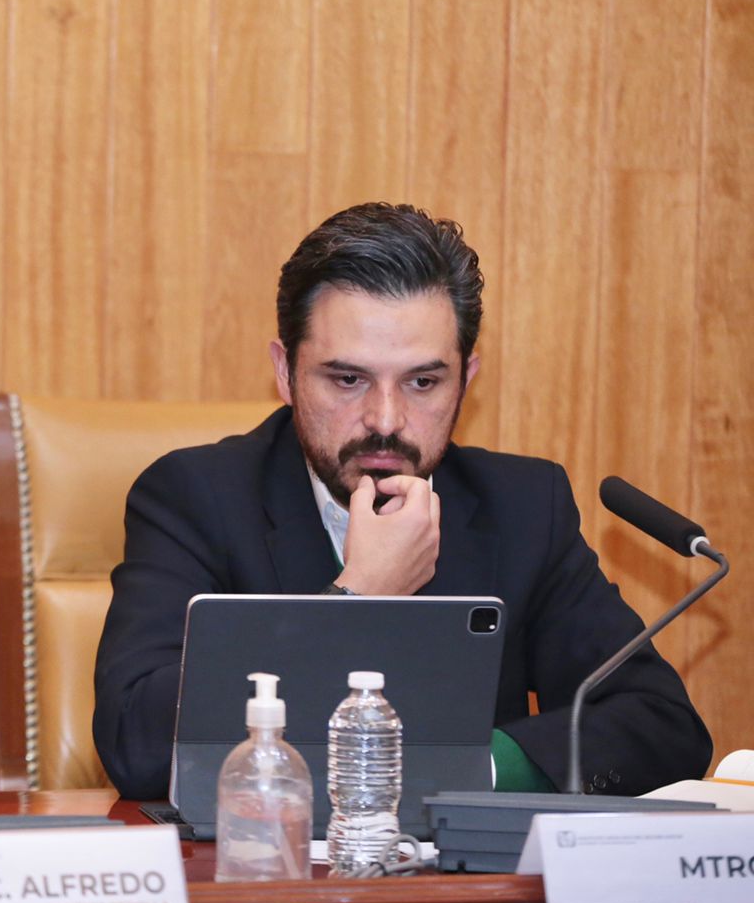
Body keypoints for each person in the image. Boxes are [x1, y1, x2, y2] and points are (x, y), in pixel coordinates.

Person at [93, 202, 711, 801]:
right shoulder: (195, 499)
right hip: (267, 879)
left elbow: (659, 725)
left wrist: (470, 772)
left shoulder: (523, 507)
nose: (385, 420)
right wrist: (360, 596)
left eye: (422, 382)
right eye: (347, 379)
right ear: (285, 373)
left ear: (465, 379)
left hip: (459, 895)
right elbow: (137, 745)